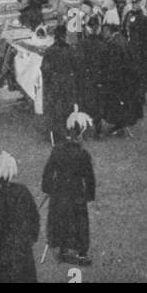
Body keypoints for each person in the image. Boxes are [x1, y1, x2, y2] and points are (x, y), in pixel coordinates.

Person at [42, 110, 96, 266]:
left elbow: (48, 172)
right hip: (76, 192)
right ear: (80, 134)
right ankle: (81, 254)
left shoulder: (57, 150)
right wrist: (89, 195)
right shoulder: (83, 154)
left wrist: (49, 188)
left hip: (59, 192)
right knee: (79, 223)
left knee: (61, 220)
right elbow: (89, 178)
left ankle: (63, 250)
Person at [0, 151, 41, 283]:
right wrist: (31, 238)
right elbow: (35, 217)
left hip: (4, 252)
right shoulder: (23, 192)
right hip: (23, 249)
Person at [41, 24, 80, 143]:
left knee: (55, 109)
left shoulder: (49, 51)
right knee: (68, 108)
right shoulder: (69, 49)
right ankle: (69, 132)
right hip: (68, 84)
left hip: (54, 85)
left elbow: (44, 69)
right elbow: (76, 67)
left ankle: (58, 133)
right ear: (64, 35)